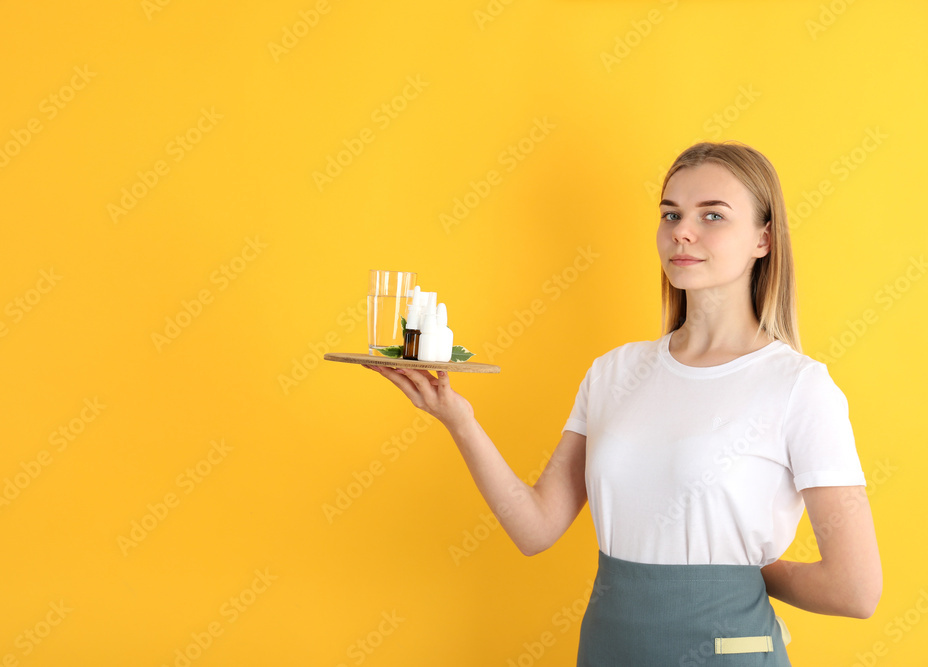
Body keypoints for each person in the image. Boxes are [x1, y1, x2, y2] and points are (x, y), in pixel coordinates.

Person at [362, 141, 882, 665]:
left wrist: (744, 572)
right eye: (671, 213)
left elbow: (856, 590)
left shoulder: (799, 387)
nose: (682, 229)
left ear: (763, 239)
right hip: (610, 649)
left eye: (713, 215)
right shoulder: (613, 373)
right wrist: (459, 420)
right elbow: (536, 529)